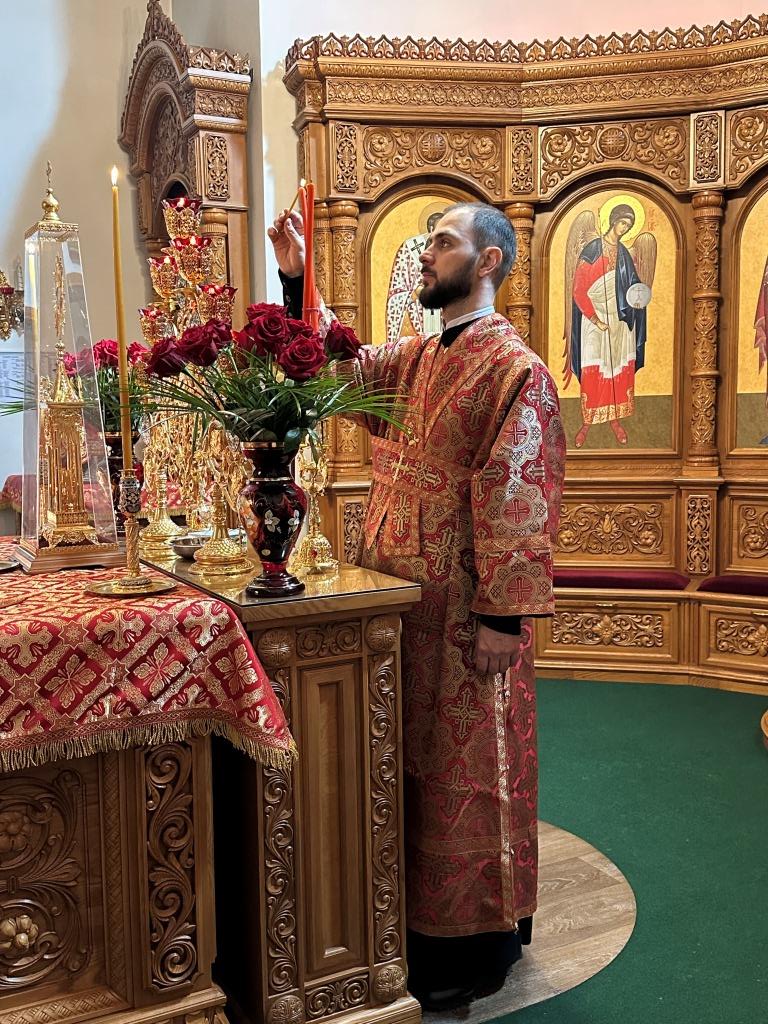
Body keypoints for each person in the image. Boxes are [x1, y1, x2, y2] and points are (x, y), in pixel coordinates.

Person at [269, 202, 565, 1010]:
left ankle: (468, 947)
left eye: (442, 242)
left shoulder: (516, 370)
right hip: (394, 602)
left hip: (466, 613)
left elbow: (519, 491)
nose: (426, 254)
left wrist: (503, 617)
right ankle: (397, 923)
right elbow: (337, 370)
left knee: (466, 770)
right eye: (428, 241)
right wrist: (298, 280)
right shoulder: (417, 357)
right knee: (398, 759)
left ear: (490, 261)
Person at [566, 203, 653, 448]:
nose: (624, 228)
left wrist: (639, 300)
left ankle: (615, 419)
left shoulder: (624, 254)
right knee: (594, 368)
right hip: (594, 318)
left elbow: (633, 287)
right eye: (622, 223)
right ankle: (587, 422)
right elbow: (578, 290)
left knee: (617, 368)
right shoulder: (592, 250)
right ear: (613, 221)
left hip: (619, 319)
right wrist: (595, 319)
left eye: (628, 225)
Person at [386, 210, 444, 344]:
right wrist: (415, 293)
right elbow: (396, 294)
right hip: (417, 314)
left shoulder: (451, 250)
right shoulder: (410, 248)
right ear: (431, 229)